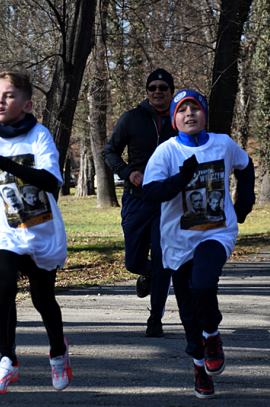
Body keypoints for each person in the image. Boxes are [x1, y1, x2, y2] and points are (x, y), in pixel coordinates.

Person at [0, 69, 71, 394]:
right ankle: (8, 359)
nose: (0, 101)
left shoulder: (40, 136)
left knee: (42, 298)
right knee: (3, 283)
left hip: (40, 229)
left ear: (27, 103)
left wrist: (1, 160)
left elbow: (50, 181)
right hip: (4, 228)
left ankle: (59, 352)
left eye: (9, 95)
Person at [142, 89, 255, 399]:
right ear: (174, 120)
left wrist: (244, 200)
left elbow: (246, 166)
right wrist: (181, 178)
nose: (189, 114)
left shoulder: (223, 144)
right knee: (188, 309)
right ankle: (198, 365)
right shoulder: (166, 153)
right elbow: (151, 194)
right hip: (178, 240)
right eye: (182, 110)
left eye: (195, 108)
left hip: (216, 232)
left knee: (203, 284)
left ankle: (213, 335)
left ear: (205, 114)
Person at [103, 68, 178, 338]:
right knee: (133, 261)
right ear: (147, 92)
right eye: (152, 88)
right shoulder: (131, 118)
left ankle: (155, 319)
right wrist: (126, 172)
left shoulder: (179, 119)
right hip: (136, 200)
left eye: (163, 88)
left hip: (168, 203)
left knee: (162, 260)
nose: (157, 92)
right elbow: (109, 150)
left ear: (171, 91)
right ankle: (147, 274)